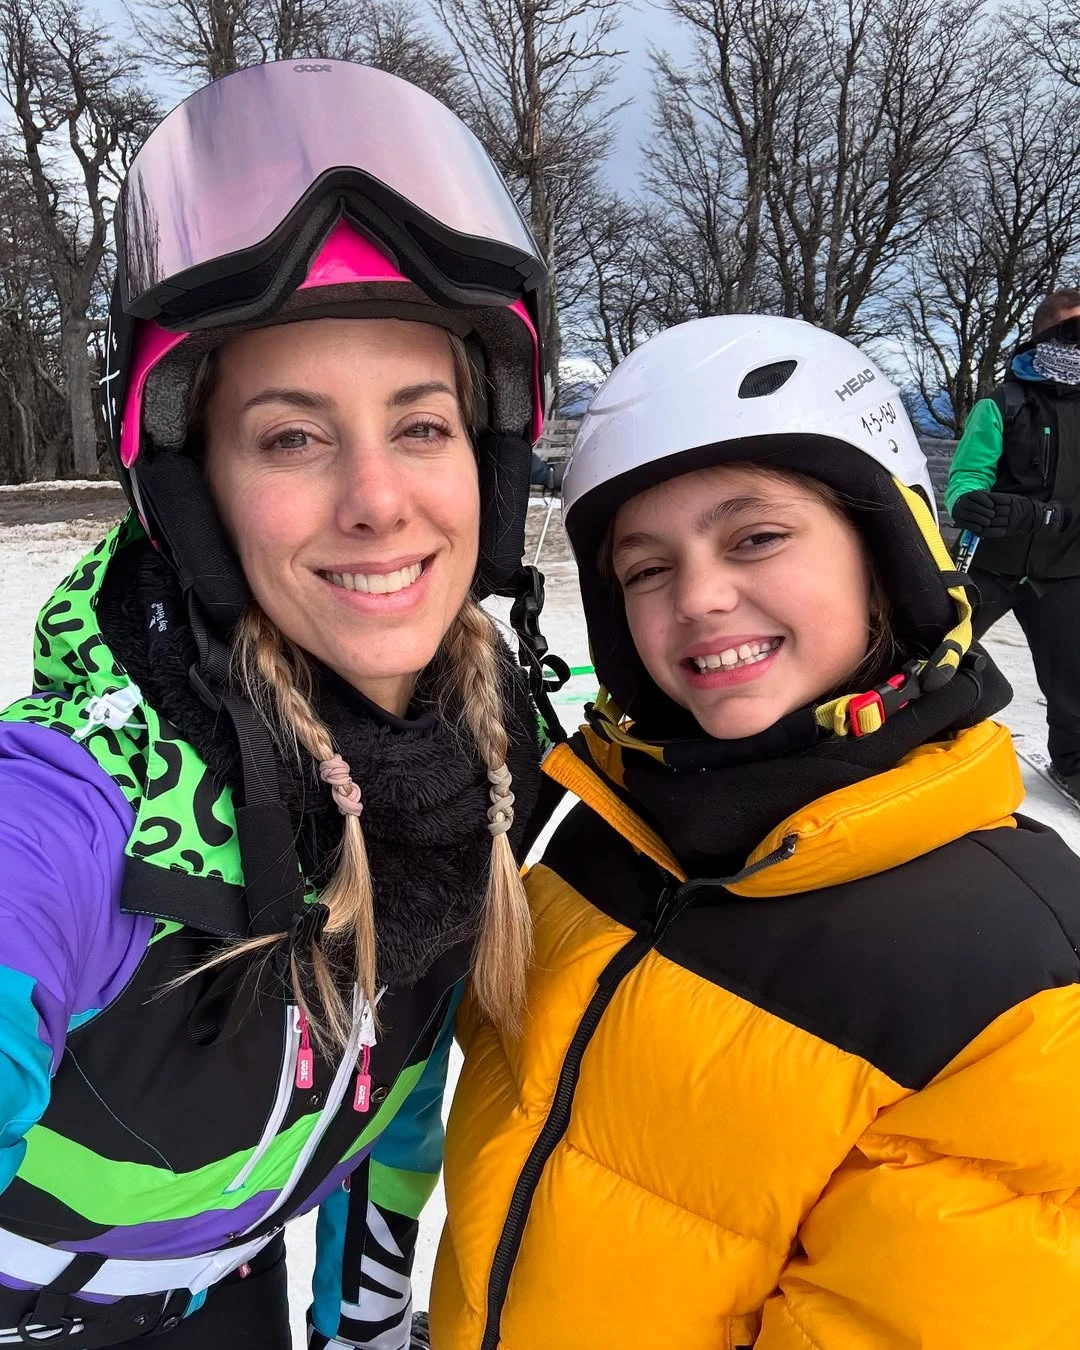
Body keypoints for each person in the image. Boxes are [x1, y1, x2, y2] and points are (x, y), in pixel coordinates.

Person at [0, 59, 551, 1350]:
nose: (376, 499)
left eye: (421, 427)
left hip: (232, 1306)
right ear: (196, 490)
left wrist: (361, 1323)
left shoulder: (474, 766)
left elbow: (398, 1096)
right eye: (293, 437)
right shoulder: (75, 802)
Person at [431, 316, 1080, 1348]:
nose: (697, 597)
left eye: (757, 537)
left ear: (887, 554)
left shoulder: (1009, 981)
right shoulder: (597, 837)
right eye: (646, 569)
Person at [947, 288, 1080, 800]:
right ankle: (911, 740)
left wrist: (1052, 516)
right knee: (938, 651)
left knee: (1073, 677)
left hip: (1066, 569)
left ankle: (1074, 765)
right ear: (1044, 337)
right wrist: (966, 502)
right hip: (991, 563)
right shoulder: (1002, 403)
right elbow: (969, 473)